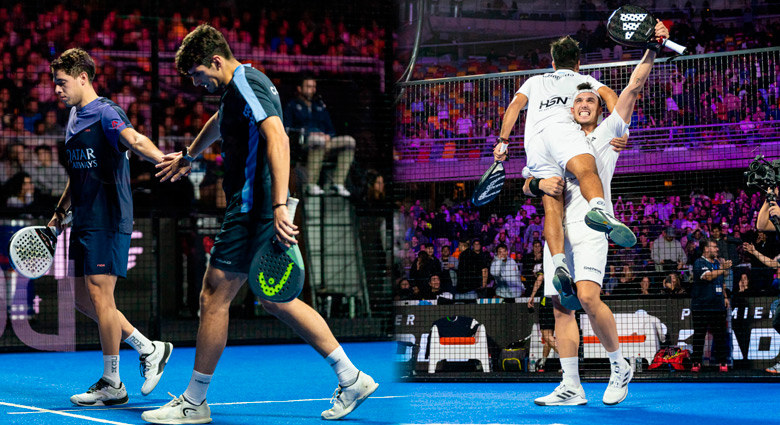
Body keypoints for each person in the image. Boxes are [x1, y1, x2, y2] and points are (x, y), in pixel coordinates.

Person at [146, 25, 376, 423]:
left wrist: (280, 205)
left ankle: (194, 402)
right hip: (254, 205)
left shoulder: (247, 81)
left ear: (215, 61)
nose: (198, 84)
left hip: (255, 207)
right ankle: (351, 377)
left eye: (199, 75)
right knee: (275, 298)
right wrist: (188, 155)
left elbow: (278, 138)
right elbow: (220, 123)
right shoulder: (235, 92)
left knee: (213, 296)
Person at [501, 22, 668, 406]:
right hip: (557, 232)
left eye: (589, 101)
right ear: (570, 110)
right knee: (561, 307)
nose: (583, 104)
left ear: (597, 107)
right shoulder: (558, 144)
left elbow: (632, 88)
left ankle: (618, 364)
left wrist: (651, 50)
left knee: (589, 299)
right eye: (577, 102)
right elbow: (528, 184)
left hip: (592, 229)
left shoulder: (611, 133)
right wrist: (537, 186)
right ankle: (571, 385)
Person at [47, 48, 173, 406]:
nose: (57, 90)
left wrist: (164, 159)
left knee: (102, 297)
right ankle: (149, 348)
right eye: (55, 83)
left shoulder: (107, 112)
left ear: (83, 77)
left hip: (109, 218)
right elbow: (78, 173)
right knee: (84, 299)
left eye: (62, 82)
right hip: (82, 220)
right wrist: (59, 212)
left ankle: (112, 381)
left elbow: (133, 140)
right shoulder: (73, 117)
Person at [496, 35, 634, 301]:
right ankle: (599, 210)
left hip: (534, 143)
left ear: (552, 63)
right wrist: (622, 129)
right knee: (587, 170)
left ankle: (558, 262)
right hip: (561, 132)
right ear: (578, 64)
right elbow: (609, 95)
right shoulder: (582, 81)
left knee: (551, 204)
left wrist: (503, 141)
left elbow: (514, 107)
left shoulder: (534, 81)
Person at [284, 74, 355, 197]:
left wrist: (328, 136)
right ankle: (311, 185)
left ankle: (337, 183)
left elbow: (331, 129)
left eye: (314, 86)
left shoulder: (320, 106)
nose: (312, 89)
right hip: (305, 145)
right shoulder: (292, 106)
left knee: (349, 141)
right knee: (317, 140)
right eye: (308, 86)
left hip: (325, 143)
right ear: (299, 88)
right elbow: (287, 129)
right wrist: (308, 133)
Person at [690, 239, 731, 372]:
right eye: (714, 247)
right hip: (701, 306)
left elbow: (722, 280)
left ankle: (722, 362)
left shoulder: (717, 263)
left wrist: (725, 296)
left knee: (720, 335)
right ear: (706, 249)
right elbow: (707, 277)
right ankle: (696, 362)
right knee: (699, 335)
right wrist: (723, 269)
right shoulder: (699, 262)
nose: (717, 249)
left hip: (717, 306)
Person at [527, 272, 557, 372]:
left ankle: (566, 359)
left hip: (547, 303)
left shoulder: (548, 262)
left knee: (547, 336)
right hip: (560, 302)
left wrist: (532, 296)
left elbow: (540, 278)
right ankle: (542, 363)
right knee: (550, 337)